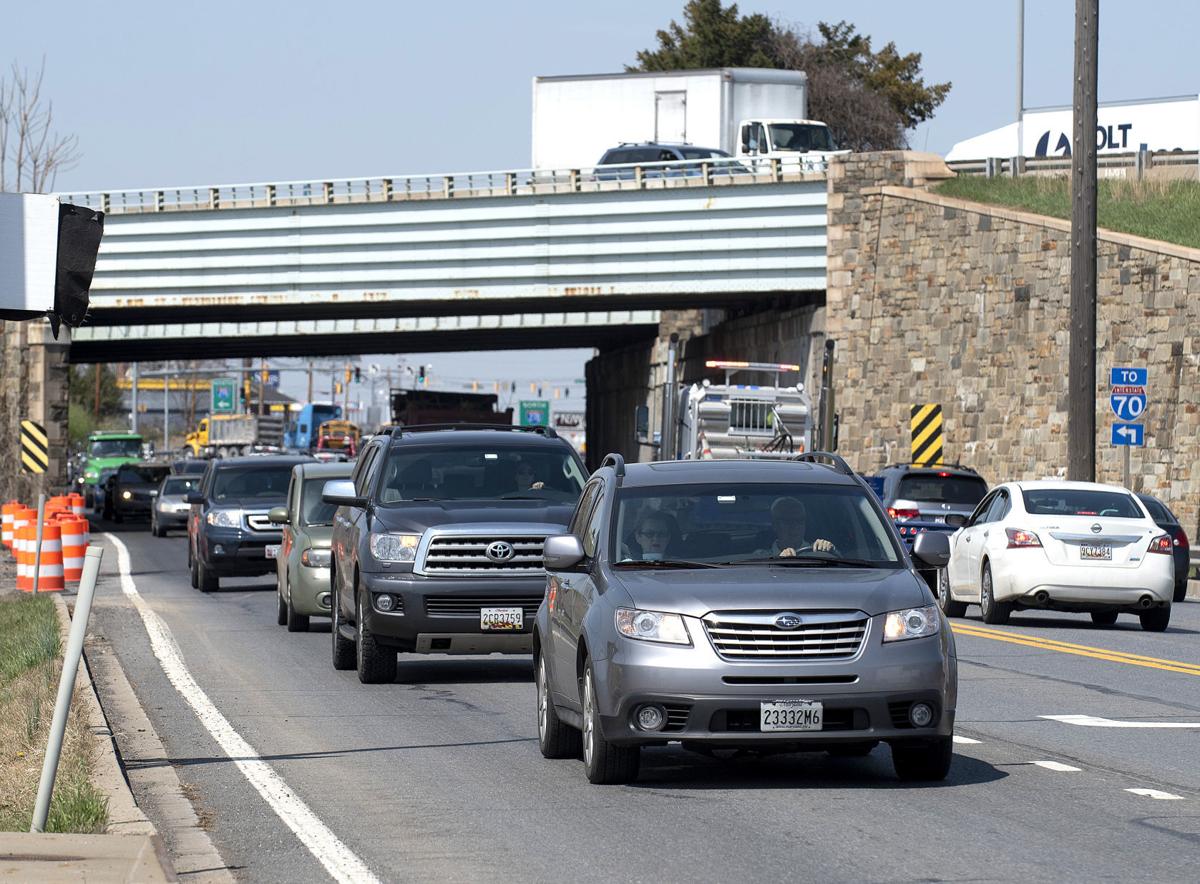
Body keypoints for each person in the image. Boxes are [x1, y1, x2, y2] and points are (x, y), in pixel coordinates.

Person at [761, 496, 837, 557]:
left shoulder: (819, 552)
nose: (795, 526)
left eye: (800, 521)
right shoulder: (760, 557)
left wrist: (831, 550)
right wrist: (777, 560)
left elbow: (842, 565)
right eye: (788, 521)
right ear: (775, 525)